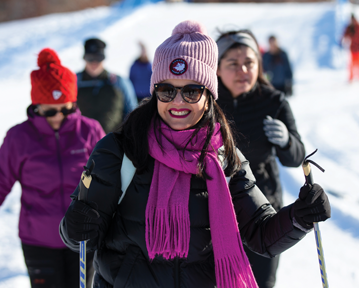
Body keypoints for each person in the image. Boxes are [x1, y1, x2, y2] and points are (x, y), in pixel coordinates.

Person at [59, 20, 331, 288]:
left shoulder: (224, 156)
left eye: (191, 91)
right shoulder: (120, 150)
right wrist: (77, 225)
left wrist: (300, 217)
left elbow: (261, 234)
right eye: (167, 90)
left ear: (209, 95)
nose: (177, 102)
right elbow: (81, 241)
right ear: (155, 92)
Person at [0, 48, 105, 288]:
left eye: (66, 108)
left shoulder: (90, 131)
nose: (59, 116)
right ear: (37, 105)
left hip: (82, 239)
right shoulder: (19, 138)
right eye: (50, 110)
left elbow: (111, 183)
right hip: (39, 242)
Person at [216, 30, 306, 288]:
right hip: (217, 210)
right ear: (218, 69)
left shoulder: (273, 101)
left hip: (264, 210)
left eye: (249, 62)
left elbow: (297, 156)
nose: (242, 69)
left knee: (261, 282)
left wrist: (287, 141)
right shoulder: (207, 103)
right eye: (233, 63)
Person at [76, 37, 138, 134]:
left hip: (112, 142)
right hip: (81, 143)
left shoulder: (118, 81)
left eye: (98, 58)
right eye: (90, 58)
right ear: (84, 58)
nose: (94, 63)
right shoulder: (74, 82)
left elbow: (132, 112)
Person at [341, 14, 359, 82]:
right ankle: (351, 78)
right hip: (353, 48)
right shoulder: (350, 28)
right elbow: (345, 34)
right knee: (351, 64)